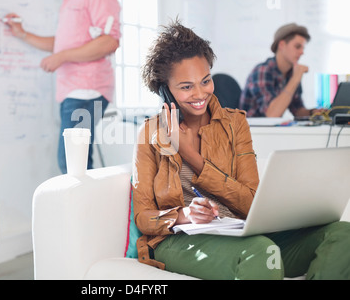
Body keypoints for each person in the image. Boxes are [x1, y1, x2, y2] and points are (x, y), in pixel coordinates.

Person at [132, 19, 350, 280]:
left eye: (205, 81)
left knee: (341, 234)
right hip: (176, 241)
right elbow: (143, 217)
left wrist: (190, 154)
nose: (200, 93)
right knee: (259, 250)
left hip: (240, 232)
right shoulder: (150, 133)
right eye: (186, 86)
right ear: (165, 90)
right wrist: (184, 214)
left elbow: (250, 202)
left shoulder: (235, 124)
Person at [4, 0, 121, 174]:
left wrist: (62, 56)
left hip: (87, 90)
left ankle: (90, 205)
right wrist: (23, 34)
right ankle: (90, 204)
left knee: (72, 165)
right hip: (75, 91)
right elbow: (62, 45)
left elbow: (109, 42)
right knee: (75, 164)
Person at [240, 23, 320, 118]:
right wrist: (295, 79)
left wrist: (315, 112)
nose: (302, 52)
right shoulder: (262, 71)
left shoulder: (291, 73)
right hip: (252, 130)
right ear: (281, 45)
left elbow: (297, 110)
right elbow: (272, 114)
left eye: (303, 48)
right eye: (298, 47)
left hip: (272, 130)